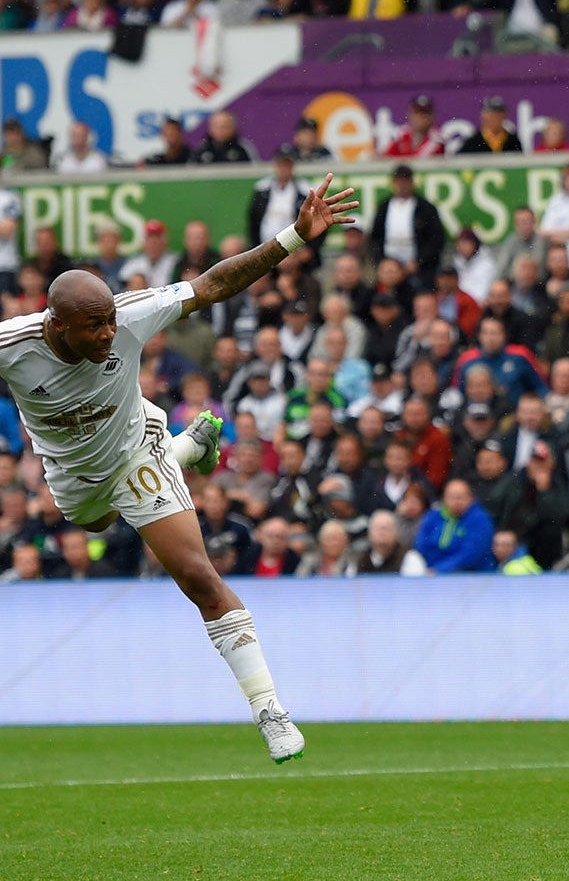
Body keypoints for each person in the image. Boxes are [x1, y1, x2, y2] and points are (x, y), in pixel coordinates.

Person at [0, 173, 359, 763]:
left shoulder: (131, 315)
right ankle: (187, 449)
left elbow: (213, 283)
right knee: (91, 523)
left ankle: (270, 711)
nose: (110, 332)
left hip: (135, 450)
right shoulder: (13, 347)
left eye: (112, 320)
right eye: (95, 326)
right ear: (57, 325)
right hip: (74, 477)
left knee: (197, 576)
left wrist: (294, 236)